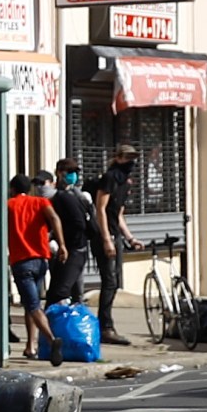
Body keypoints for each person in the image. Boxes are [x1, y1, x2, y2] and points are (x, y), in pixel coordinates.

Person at [6, 173, 68, 364]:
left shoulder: (8, 205)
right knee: (31, 304)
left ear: (12, 189)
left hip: (21, 260)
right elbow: (55, 218)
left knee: (32, 305)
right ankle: (30, 346)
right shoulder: (41, 202)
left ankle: (51, 339)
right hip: (41, 259)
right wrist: (62, 244)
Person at [91, 143, 139, 346]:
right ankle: (105, 327)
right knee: (109, 280)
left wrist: (130, 238)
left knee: (114, 281)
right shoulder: (109, 178)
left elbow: (118, 214)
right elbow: (100, 208)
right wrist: (106, 239)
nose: (131, 162)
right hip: (104, 234)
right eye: (127, 158)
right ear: (118, 158)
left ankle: (106, 324)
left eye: (133, 158)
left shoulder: (125, 181)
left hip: (115, 234)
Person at [48, 159, 95, 310]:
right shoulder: (60, 195)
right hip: (72, 249)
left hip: (73, 249)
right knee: (62, 291)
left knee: (62, 292)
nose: (73, 176)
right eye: (69, 172)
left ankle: (70, 319)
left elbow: (79, 224)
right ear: (59, 173)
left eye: (75, 172)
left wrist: (64, 242)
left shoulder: (71, 196)